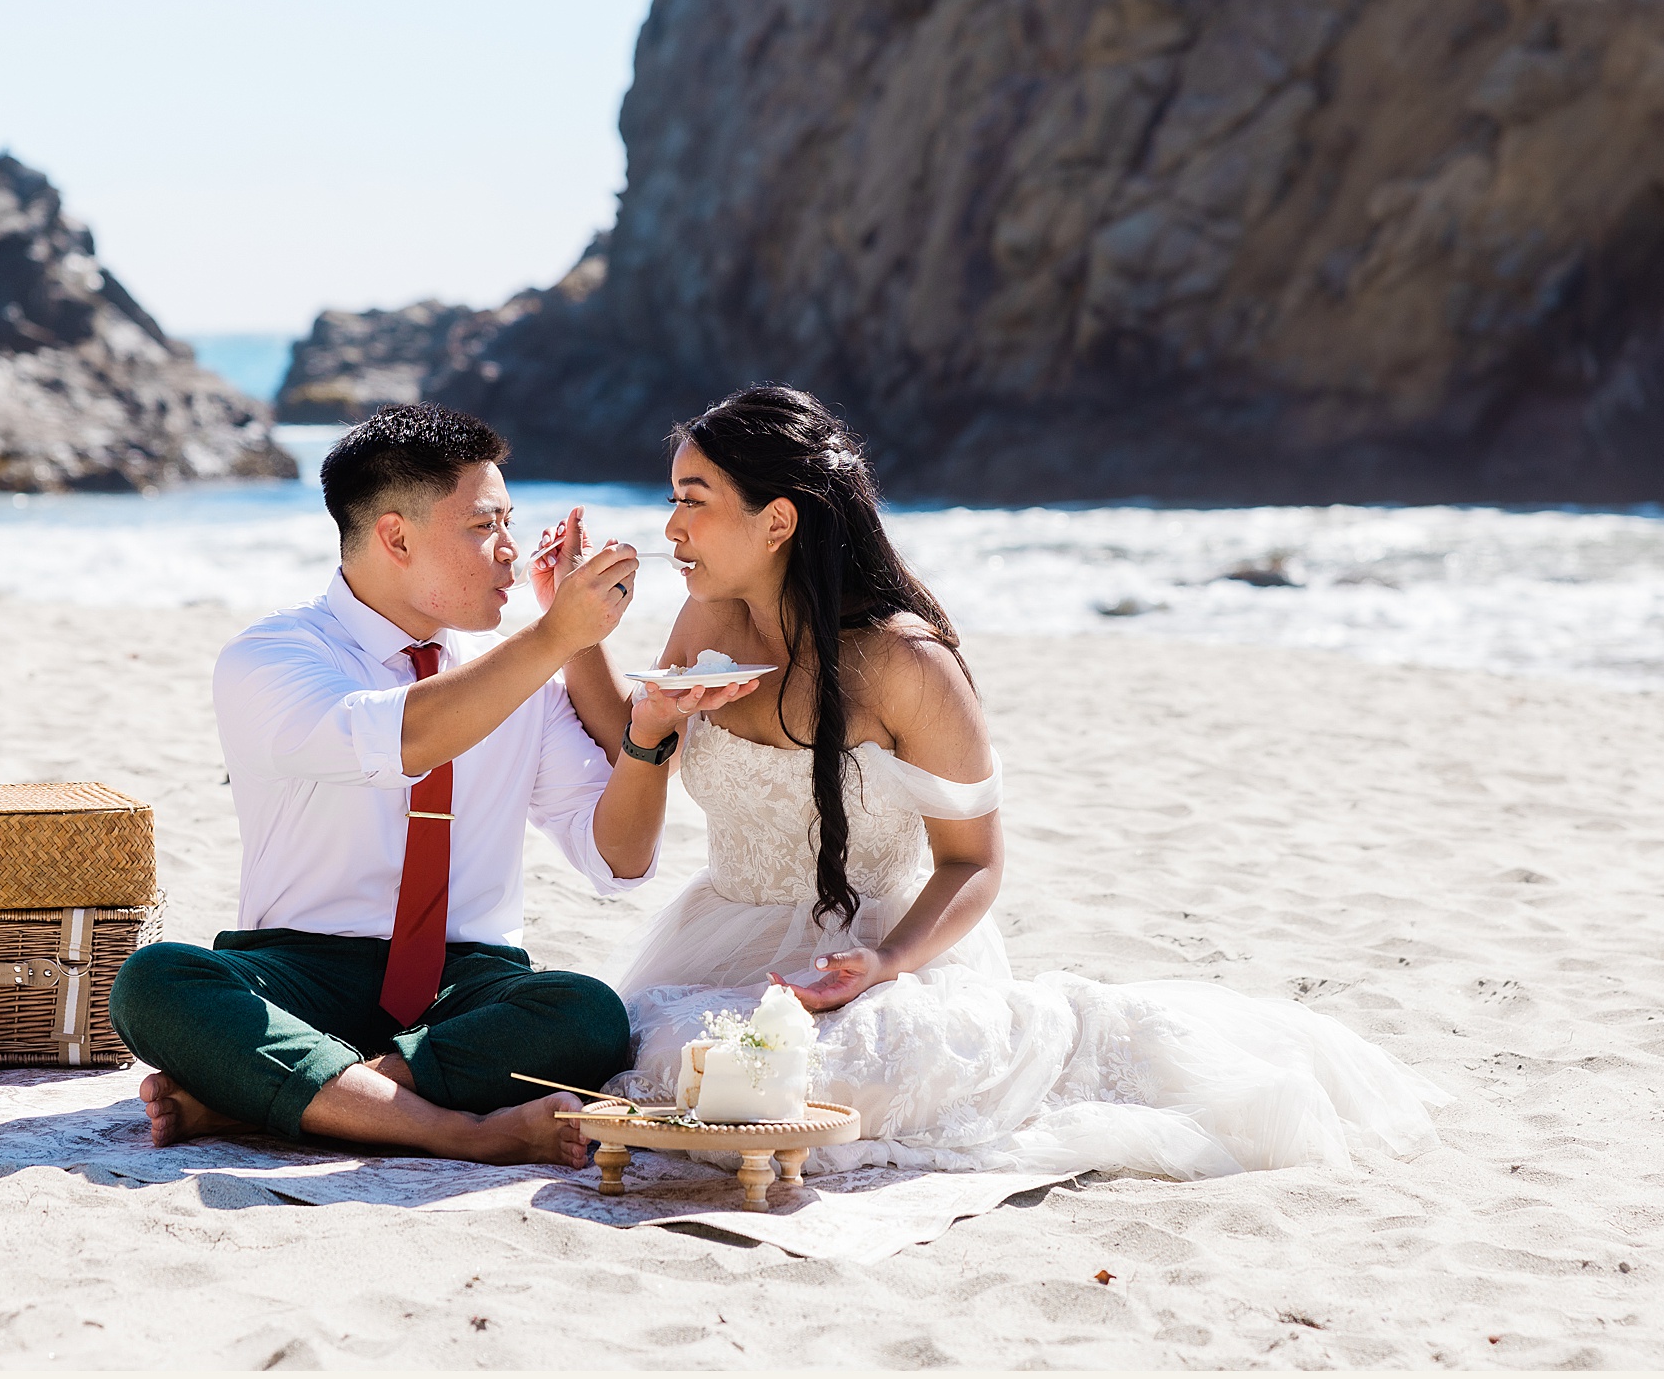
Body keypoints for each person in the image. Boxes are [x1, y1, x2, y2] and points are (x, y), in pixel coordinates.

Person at [587, 384, 1450, 1177]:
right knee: (665, 1058)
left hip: (881, 949)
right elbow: (625, 838)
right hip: (713, 940)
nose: (671, 530)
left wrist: (884, 962)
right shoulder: (705, 621)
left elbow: (974, 860)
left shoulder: (906, 663)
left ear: (777, 521)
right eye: (673, 502)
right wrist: (637, 717)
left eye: (692, 503)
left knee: (839, 1078)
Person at [106, 403, 756, 1165]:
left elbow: (616, 860)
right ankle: (456, 1130)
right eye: (485, 527)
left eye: (510, 521)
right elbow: (403, 736)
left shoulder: (521, 674)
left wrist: (646, 732)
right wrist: (553, 637)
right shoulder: (271, 657)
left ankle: (289, 1095)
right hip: (301, 969)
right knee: (153, 981)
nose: (511, 550)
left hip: (467, 983)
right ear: (395, 536)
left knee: (586, 1013)